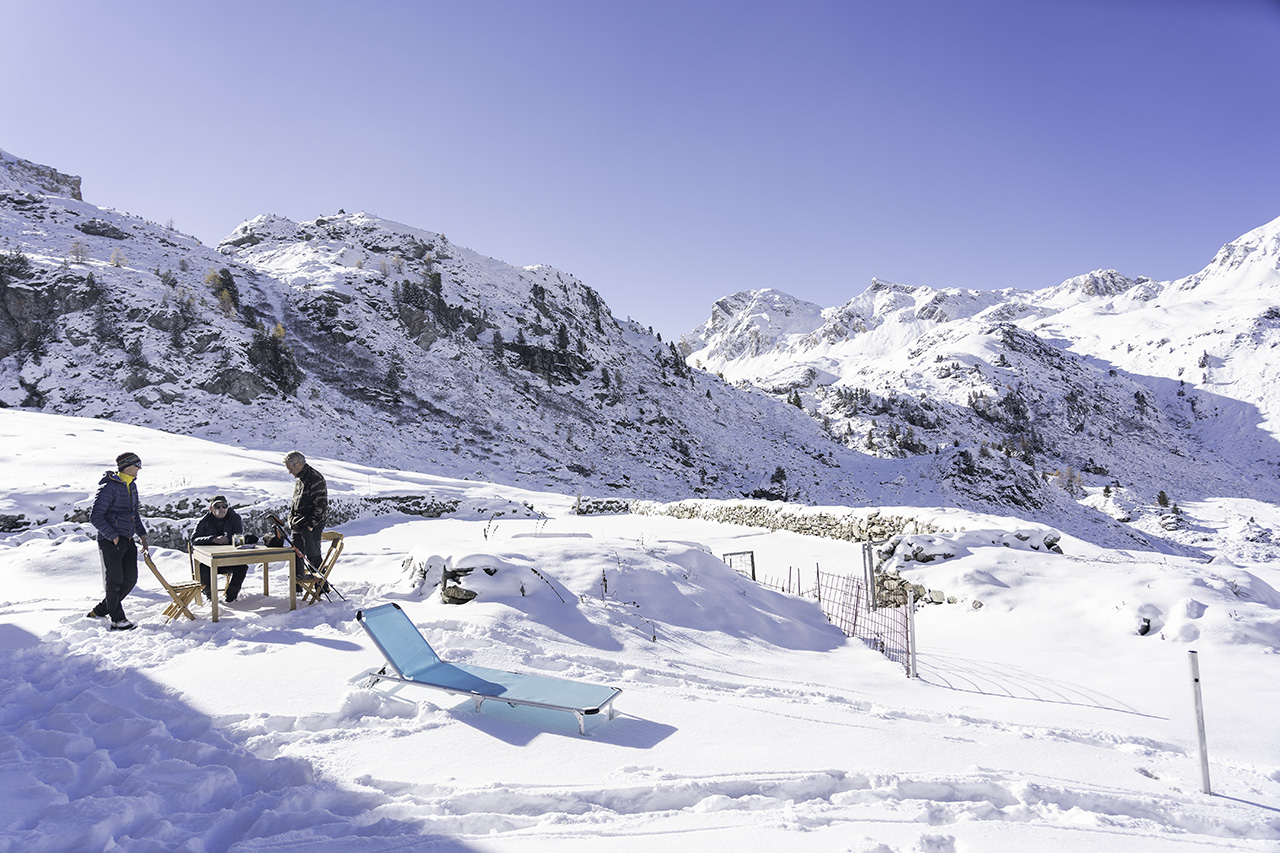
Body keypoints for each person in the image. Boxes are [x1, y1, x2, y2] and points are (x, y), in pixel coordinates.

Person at [88, 451, 149, 631]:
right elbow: (95, 517)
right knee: (115, 581)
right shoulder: (109, 487)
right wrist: (113, 536)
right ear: (126, 466)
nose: (139, 468)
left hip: (128, 538)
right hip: (110, 540)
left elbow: (134, 514)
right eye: (137, 464)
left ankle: (101, 610)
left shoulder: (132, 486)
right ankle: (117, 619)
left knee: (130, 579)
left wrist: (142, 536)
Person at [191, 495, 249, 602]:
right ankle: (210, 597)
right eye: (217, 506)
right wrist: (213, 539)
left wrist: (230, 540)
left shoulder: (234, 518)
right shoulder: (204, 521)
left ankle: (231, 597)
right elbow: (194, 540)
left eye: (224, 506)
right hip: (210, 561)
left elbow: (238, 536)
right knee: (202, 567)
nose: (221, 509)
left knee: (242, 566)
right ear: (211, 509)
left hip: (230, 559)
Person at [284, 450, 328, 574]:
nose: (290, 472)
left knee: (314, 558)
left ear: (298, 465)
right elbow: (296, 502)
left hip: (310, 527)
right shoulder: (300, 479)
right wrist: (291, 519)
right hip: (297, 525)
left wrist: (310, 525)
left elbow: (321, 505)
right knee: (296, 558)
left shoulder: (315, 478)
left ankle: (320, 584)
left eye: (290, 468)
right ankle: (297, 584)